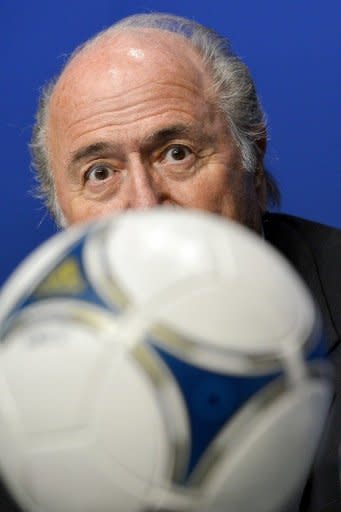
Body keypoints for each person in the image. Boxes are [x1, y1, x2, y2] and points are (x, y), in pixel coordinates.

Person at [24, 12, 340, 512]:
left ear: (253, 165)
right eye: (100, 172)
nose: (145, 207)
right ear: (61, 211)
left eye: (176, 153)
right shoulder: (18, 386)